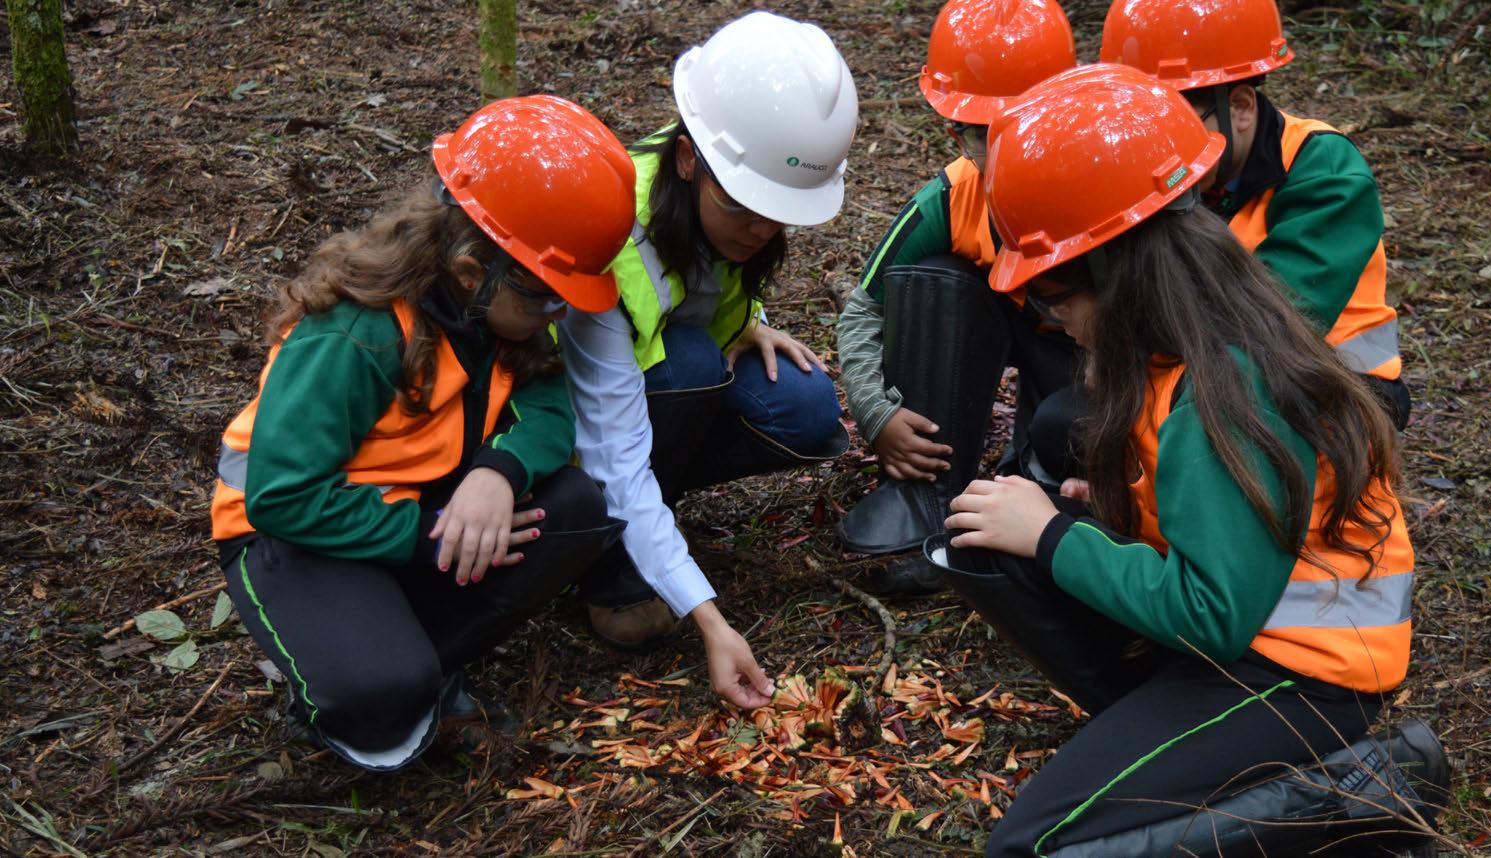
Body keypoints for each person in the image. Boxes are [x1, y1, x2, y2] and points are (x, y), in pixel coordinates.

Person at [923, 64, 1448, 855]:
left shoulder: (1225, 392)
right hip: (1247, 636)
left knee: (1031, 848)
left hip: (1300, 675)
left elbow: (1211, 615)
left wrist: (1054, 535)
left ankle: (1365, 797)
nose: (1049, 322)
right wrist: (1118, 510)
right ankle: (1169, 742)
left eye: (1052, 297)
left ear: (1118, 276)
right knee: (1001, 540)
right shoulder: (1185, 343)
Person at [210, 96, 635, 771]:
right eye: (547, 296)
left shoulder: (501, 312)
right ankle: (356, 669)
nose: (557, 313)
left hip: (419, 511)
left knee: (577, 509)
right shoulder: (355, 334)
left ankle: (411, 651)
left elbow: (550, 407)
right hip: (295, 536)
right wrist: (425, 533)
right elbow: (283, 497)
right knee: (381, 700)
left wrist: (497, 473)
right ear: (472, 272)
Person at [562, 12, 855, 702]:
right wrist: (710, 619)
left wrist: (750, 320)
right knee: (691, 365)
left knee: (803, 406)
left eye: (779, 214)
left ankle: (654, 514)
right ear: (689, 159)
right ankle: (609, 563)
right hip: (575, 435)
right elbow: (611, 443)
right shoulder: (609, 235)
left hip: (653, 403)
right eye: (745, 207)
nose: (762, 231)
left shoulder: (723, 193)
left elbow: (701, 285)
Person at [835, 0, 1080, 594]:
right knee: (932, 276)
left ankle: (1051, 492)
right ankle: (930, 501)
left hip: (1090, 357)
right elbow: (864, 308)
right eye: (985, 136)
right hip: (1009, 325)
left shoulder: (1104, 175)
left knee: (1061, 436)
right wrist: (876, 411)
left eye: (1021, 126)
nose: (1005, 149)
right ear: (957, 133)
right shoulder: (948, 201)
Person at [1100, 0, 1412, 428]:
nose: (1160, 148)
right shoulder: (1171, 172)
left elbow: (1275, 320)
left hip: (1339, 377)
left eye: (1178, 125)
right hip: (1209, 359)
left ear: (1242, 108)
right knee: (1064, 421)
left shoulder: (1322, 167)